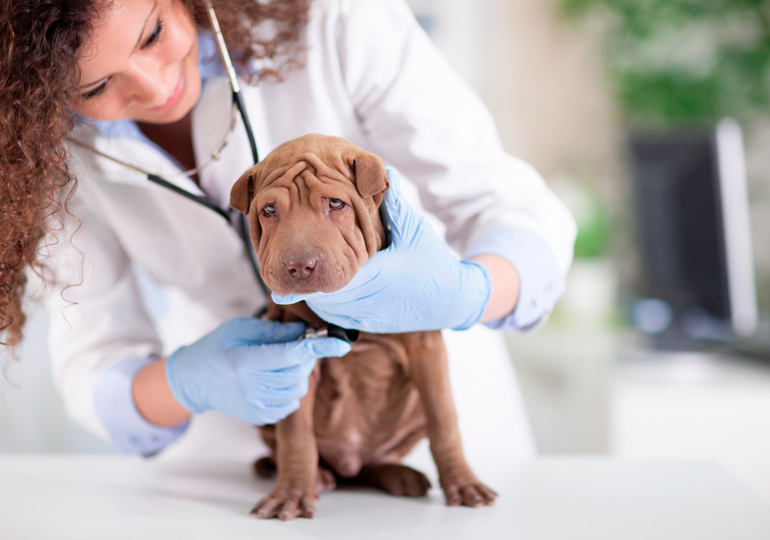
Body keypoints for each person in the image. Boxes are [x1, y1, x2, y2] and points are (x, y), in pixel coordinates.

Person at [0, 0, 576, 459]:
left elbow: (509, 206)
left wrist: (468, 292)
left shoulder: (336, 21)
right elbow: (94, 360)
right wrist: (186, 384)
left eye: (152, 33)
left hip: (418, 407)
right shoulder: (49, 153)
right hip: (259, 434)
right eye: (94, 87)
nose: (153, 89)